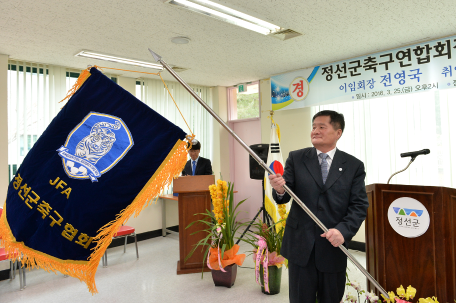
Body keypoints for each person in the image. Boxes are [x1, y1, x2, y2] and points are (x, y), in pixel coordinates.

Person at [268, 110, 369, 303]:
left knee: (330, 298)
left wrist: (343, 231)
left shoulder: (353, 165)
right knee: (300, 299)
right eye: (313, 127)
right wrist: (279, 189)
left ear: (338, 133)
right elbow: (283, 196)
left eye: (322, 127)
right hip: (300, 244)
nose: (315, 131)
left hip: (332, 245)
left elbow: (359, 205)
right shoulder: (296, 158)